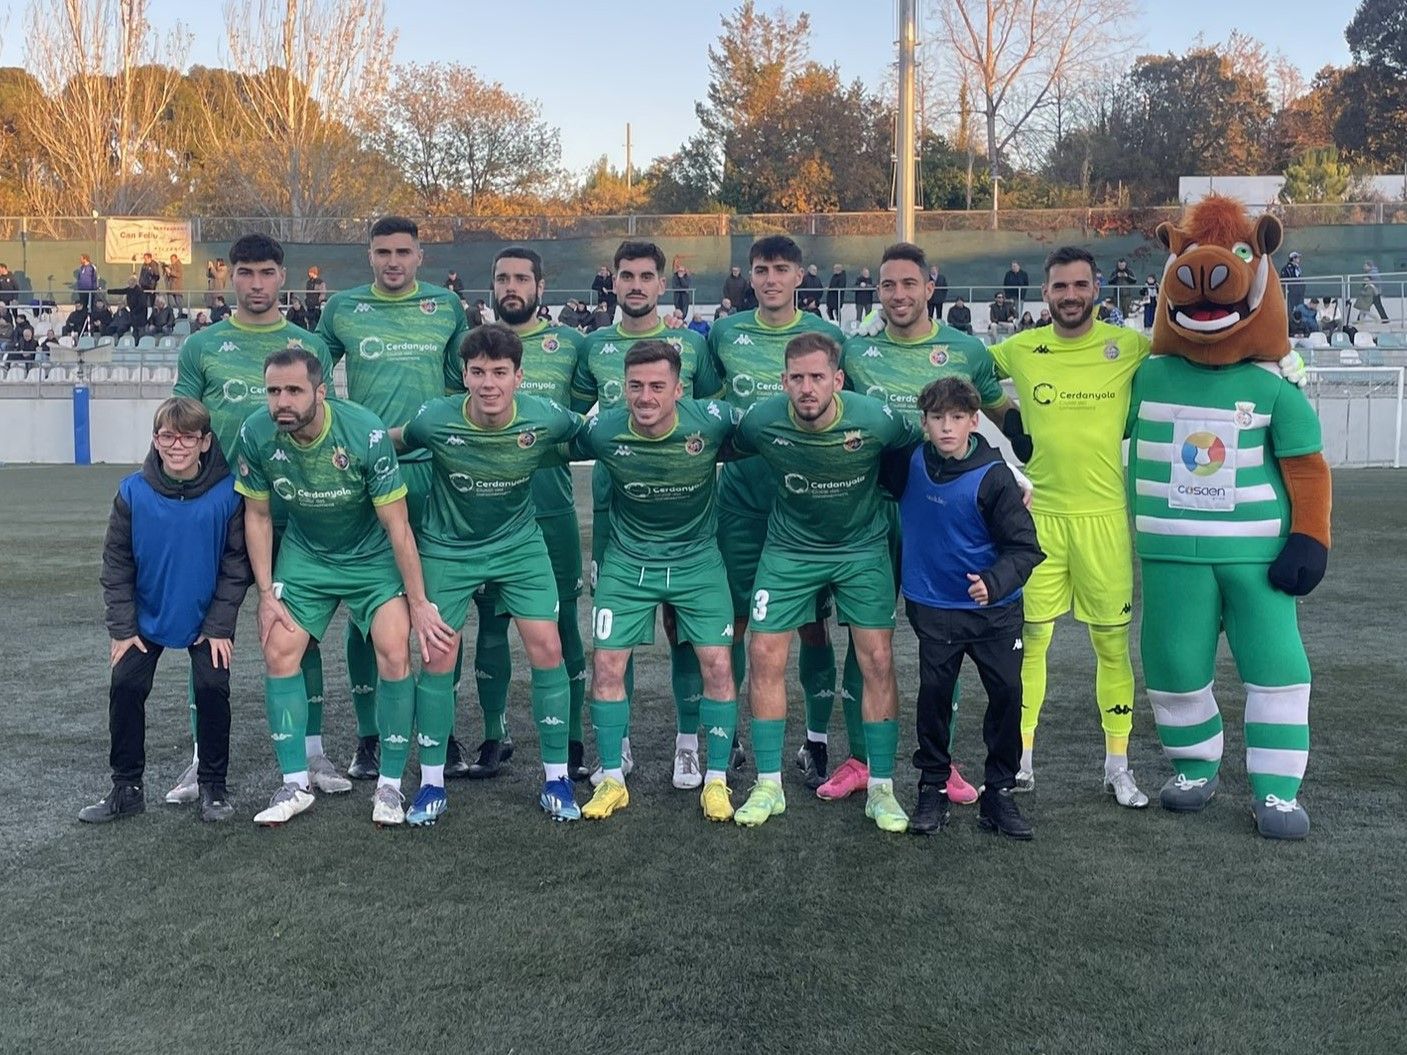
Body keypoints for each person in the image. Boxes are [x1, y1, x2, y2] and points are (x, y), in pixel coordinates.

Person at [831, 241, 1025, 806]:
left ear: (929, 287)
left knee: (952, 634)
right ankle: (861, 757)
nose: (897, 295)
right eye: (887, 286)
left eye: (907, 284)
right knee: (864, 635)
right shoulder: (857, 352)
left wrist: (1024, 442)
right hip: (871, 510)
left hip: (943, 517)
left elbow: (993, 405)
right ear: (878, 291)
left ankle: (944, 763)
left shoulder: (964, 348)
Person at [234, 346, 453, 826]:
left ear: (320, 390)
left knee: (395, 650)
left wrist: (418, 602)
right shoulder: (254, 432)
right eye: (273, 391)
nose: (281, 402)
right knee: (278, 648)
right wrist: (266, 594)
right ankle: (294, 783)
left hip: (371, 558)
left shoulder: (364, 431)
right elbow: (257, 514)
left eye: (293, 390)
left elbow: (397, 527)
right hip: (307, 556)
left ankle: (391, 787)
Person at [393, 324, 586, 824]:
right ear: (464, 374)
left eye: (500, 372)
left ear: (519, 376)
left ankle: (556, 779)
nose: (489, 383)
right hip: (448, 547)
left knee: (548, 647)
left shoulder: (544, 416)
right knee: (439, 654)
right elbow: (394, 442)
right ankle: (431, 785)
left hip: (519, 545)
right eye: (478, 372)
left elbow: (589, 434)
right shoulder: (435, 419)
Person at [729, 332, 922, 832]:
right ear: (783, 381)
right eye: (797, 378)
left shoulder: (874, 418)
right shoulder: (761, 421)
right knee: (765, 653)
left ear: (838, 379)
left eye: (817, 377)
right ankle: (768, 784)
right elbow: (712, 448)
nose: (807, 388)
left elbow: (919, 447)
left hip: (861, 549)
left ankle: (881, 789)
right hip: (789, 549)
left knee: (877, 658)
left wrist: (1003, 473)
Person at [172, 233, 339, 804]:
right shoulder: (201, 346)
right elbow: (183, 424)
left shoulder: (309, 343)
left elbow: (328, 421)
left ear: (282, 276)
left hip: (288, 511)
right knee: (205, 634)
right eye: (245, 272)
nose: (257, 284)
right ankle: (202, 760)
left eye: (267, 272)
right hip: (219, 508)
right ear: (231, 278)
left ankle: (314, 755)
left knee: (300, 633)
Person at [990, 246, 1151, 807]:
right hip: (1039, 521)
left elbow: (1189, 356)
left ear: (1097, 291)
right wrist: (1008, 420)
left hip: (1104, 520)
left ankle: (1117, 766)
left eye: (1079, 285)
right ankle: (1023, 761)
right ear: (1044, 294)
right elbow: (968, 369)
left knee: (1112, 645)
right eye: (1059, 287)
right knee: (1030, 642)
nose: (1070, 296)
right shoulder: (1022, 348)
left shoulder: (1128, 346)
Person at [316, 215, 470, 781]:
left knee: (437, 606)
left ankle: (442, 730)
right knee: (368, 609)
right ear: (369, 255)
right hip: (362, 477)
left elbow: (462, 385)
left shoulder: (447, 307)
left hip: (433, 474)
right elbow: (313, 377)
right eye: (383, 252)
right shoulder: (342, 310)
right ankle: (369, 736)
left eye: (403, 251)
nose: (393, 261)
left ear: (421, 255)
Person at [569, 342, 742, 822]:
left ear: (678, 389)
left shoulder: (711, 420)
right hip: (628, 562)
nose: (645, 397)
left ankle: (717, 780)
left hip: (698, 561)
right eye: (636, 386)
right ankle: (613, 780)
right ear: (623, 388)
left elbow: (768, 429)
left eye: (657, 387)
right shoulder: (603, 431)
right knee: (606, 666)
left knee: (718, 667)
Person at [571, 241, 722, 785]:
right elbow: (577, 418)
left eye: (646, 276)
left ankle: (688, 744)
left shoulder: (692, 346)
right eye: (626, 275)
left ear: (664, 283)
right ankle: (622, 746)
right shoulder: (593, 346)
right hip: (617, 512)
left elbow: (703, 418)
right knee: (615, 640)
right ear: (613, 282)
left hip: (685, 515)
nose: (636, 284)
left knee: (684, 630)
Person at [708, 235, 846, 785]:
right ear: (749, 275)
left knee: (812, 628)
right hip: (740, 501)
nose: (770, 279)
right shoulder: (724, 333)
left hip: (806, 504)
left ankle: (815, 742)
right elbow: (704, 405)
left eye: (781, 269)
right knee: (738, 623)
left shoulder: (827, 336)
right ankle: (735, 737)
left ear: (799, 276)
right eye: (761, 269)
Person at [882, 377, 1043, 838]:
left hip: (994, 613)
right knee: (933, 699)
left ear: (975, 421)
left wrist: (994, 583)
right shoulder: (908, 461)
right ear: (924, 423)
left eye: (956, 418)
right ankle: (932, 788)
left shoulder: (994, 476)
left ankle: (1000, 794)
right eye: (937, 418)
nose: (946, 427)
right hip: (933, 607)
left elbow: (1025, 549)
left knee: (1008, 697)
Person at [452, 246, 589, 781]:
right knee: (490, 622)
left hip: (551, 506)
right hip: (486, 509)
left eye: (521, 278)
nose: (511, 286)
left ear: (540, 284)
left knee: (564, 624)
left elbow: (578, 419)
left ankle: (573, 742)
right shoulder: (472, 348)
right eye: (502, 277)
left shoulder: (570, 345)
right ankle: (494, 734)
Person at [81, 398, 250, 825]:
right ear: (155, 441)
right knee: (125, 684)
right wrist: (122, 628)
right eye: (167, 436)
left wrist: (218, 625)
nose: (177, 445)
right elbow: (116, 564)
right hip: (145, 619)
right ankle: (126, 788)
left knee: (213, 686)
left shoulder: (227, 494)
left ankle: (213, 785)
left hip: (205, 618)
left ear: (205, 442)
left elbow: (235, 566)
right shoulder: (132, 493)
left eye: (188, 436)